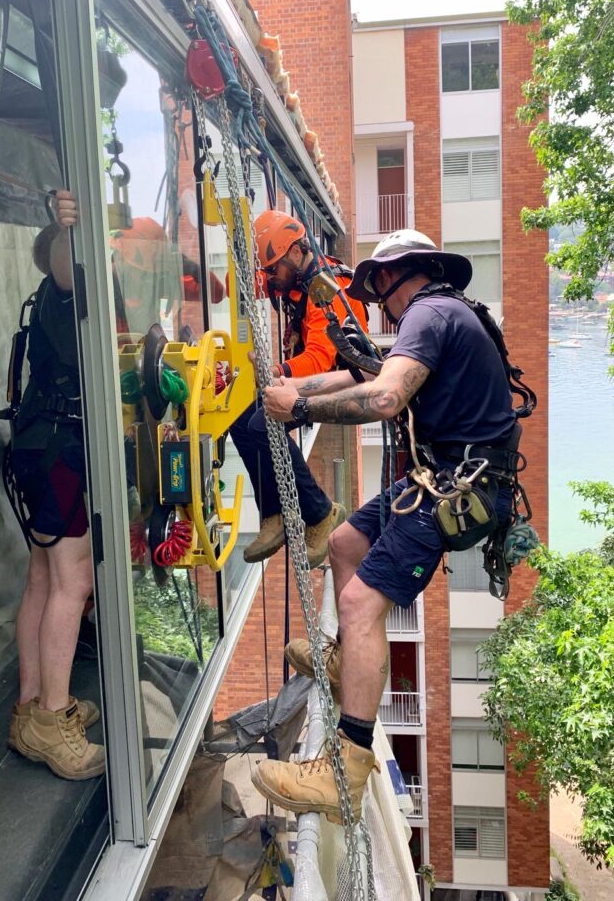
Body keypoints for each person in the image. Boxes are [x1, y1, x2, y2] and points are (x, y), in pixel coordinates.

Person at [250, 229, 520, 822]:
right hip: (449, 475)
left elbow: (383, 401)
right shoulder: (445, 314)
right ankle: (353, 663)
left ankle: (344, 764)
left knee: (358, 603)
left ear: (400, 278)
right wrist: (293, 386)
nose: (377, 300)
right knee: (345, 542)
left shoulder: (428, 313)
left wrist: (298, 409)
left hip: (458, 484)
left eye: (378, 287)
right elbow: (358, 377)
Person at [7, 191, 104, 781]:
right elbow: (69, 265)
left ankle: (33, 705)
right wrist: (70, 226)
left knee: (43, 578)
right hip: (58, 453)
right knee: (75, 581)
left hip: (37, 448)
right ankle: (51, 721)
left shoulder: (45, 302)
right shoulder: (64, 290)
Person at [228, 209, 369, 565]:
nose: (272, 278)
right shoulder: (297, 281)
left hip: (343, 381)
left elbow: (321, 357)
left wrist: (278, 372)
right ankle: (274, 515)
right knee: (239, 419)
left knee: (265, 423)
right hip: (315, 377)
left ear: (294, 252)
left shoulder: (327, 290)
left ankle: (320, 513)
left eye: (274, 268)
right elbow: (244, 286)